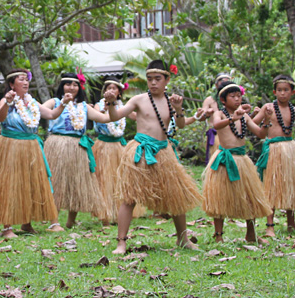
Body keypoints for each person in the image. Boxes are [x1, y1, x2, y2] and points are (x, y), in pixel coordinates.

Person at [102, 60, 204, 255]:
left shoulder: (170, 101)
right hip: (141, 150)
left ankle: (183, 239)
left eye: (158, 79)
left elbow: (180, 125)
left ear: (167, 80)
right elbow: (115, 117)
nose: (153, 83)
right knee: (129, 197)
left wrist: (179, 109)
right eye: (149, 79)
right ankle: (121, 243)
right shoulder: (139, 99)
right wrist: (111, 102)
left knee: (176, 195)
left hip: (164, 152)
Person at [0, 68, 69, 239]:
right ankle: (7, 226)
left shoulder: (31, 102)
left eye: (27, 79)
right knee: (10, 183)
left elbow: (51, 113)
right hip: (12, 144)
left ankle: (27, 223)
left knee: (31, 182)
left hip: (31, 145)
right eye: (21, 79)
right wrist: (8, 102)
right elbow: (1, 118)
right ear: (12, 84)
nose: (25, 82)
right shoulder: (7, 100)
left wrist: (63, 102)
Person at [251, 75, 295, 237]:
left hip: (290, 150)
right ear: (274, 92)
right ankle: (270, 225)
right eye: (279, 90)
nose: (282, 93)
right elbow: (252, 124)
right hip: (273, 149)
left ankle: (291, 223)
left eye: (286, 90)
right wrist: (263, 117)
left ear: (292, 92)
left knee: (290, 185)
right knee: (272, 187)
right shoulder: (268, 107)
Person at [202, 81, 271, 244]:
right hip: (224, 160)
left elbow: (260, 133)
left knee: (250, 196)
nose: (237, 99)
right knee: (219, 198)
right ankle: (218, 235)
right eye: (232, 97)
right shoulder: (220, 114)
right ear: (224, 100)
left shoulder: (244, 116)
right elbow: (216, 125)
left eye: (239, 96)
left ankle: (251, 233)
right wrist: (233, 118)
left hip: (242, 160)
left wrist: (267, 120)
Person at [42, 72, 111, 230]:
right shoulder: (54, 102)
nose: (71, 88)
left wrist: (112, 107)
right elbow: (37, 110)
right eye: (68, 84)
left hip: (78, 146)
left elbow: (105, 118)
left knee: (76, 183)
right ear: (62, 86)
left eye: (75, 85)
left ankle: (70, 221)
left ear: (79, 88)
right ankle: (54, 221)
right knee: (56, 183)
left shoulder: (84, 107)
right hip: (58, 144)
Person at [91, 79, 144, 225]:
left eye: (115, 88)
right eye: (109, 88)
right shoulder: (99, 105)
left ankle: (120, 212)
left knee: (119, 179)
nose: (112, 90)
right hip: (103, 146)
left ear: (119, 92)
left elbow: (135, 116)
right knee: (104, 180)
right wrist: (105, 107)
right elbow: (99, 114)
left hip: (119, 147)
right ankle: (105, 214)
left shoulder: (122, 107)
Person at [201, 73, 232, 162]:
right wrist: (206, 114)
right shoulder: (210, 100)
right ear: (216, 85)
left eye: (227, 81)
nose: (224, 84)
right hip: (216, 136)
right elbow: (201, 117)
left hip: (230, 135)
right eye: (221, 81)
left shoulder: (234, 99)